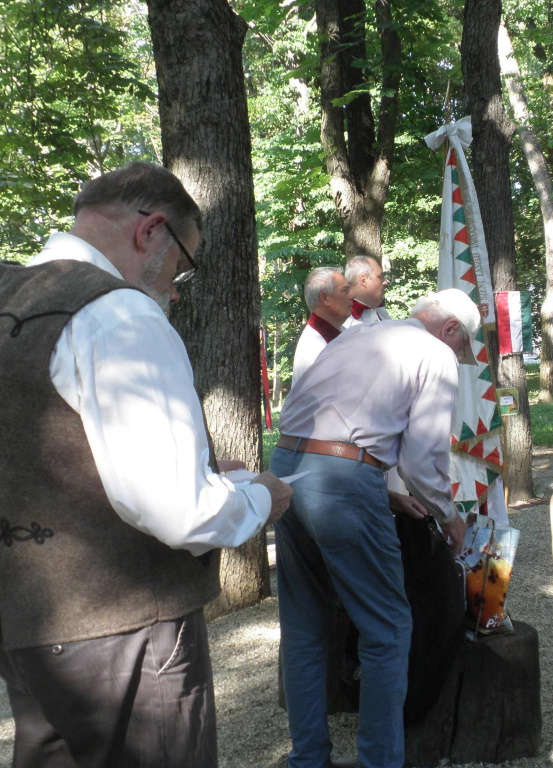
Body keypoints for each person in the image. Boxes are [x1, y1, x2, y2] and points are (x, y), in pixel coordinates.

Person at [0, 161, 293, 767]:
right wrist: (261, 495)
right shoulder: (120, 314)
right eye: (182, 265)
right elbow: (181, 513)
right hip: (124, 634)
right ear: (151, 231)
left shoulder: (12, 296)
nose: (176, 288)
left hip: (28, 628)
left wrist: (204, 474)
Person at [272, 289, 476, 768]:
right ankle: (380, 761)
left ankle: (308, 759)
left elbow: (319, 429)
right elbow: (422, 462)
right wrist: (450, 518)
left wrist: (383, 493)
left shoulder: (356, 335)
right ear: (449, 329)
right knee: (387, 630)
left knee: (303, 629)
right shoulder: (433, 353)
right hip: (343, 482)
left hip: (284, 469)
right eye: (461, 347)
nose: (457, 356)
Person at [293, 266, 352, 386]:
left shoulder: (339, 332)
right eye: (345, 290)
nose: (351, 296)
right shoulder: (315, 348)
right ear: (325, 298)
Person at [343, 255, 390, 327]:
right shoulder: (343, 319)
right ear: (363, 280)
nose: (385, 282)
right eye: (380, 276)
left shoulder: (381, 311)